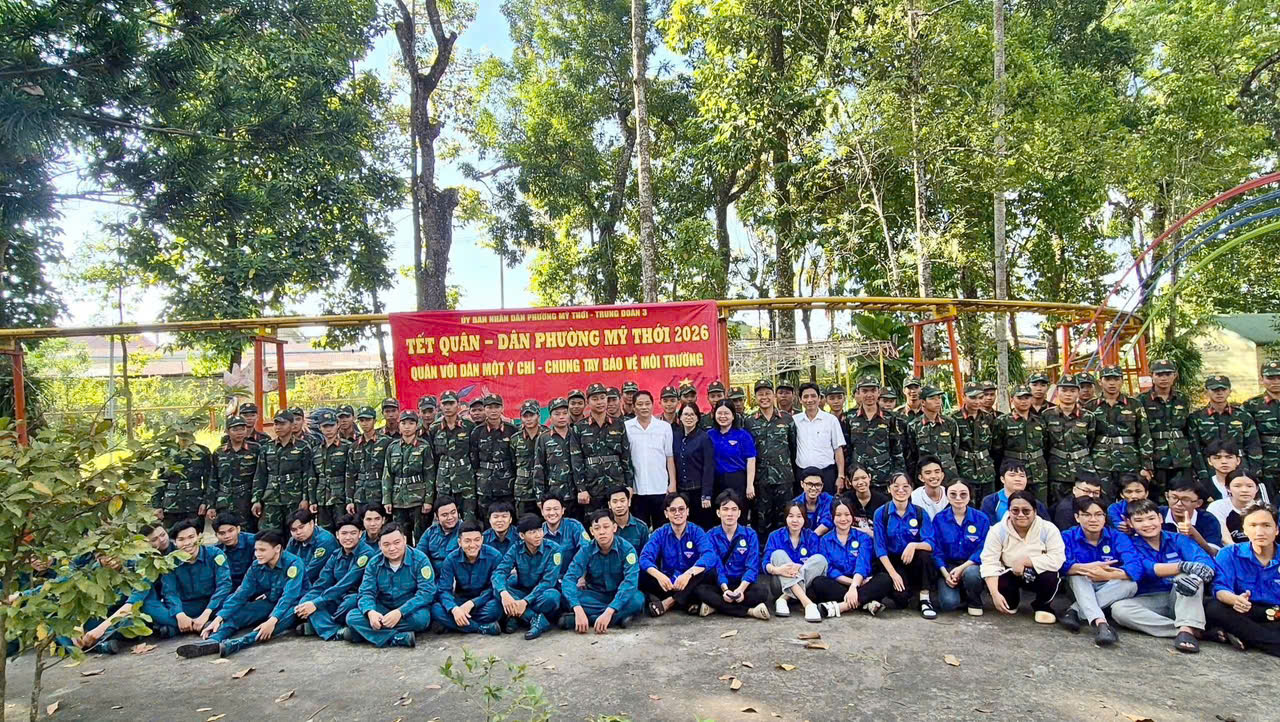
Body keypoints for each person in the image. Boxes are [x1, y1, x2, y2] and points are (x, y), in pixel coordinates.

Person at [176, 530, 305, 658]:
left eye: (262, 550)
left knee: (275, 623)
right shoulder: (256, 566)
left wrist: (272, 621)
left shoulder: (293, 564)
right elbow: (241, 594)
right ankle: (214, 640)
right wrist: (218, 618)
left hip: (296, 604)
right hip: (271, 601)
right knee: (238, 614)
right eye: (256, 550)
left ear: (277, 548)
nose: (257, 554)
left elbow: (289, 597)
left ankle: (239, 643)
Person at [1111, 499, 1215, 653]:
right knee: (1119, 609)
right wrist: (1181, 566)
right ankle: (1189, 631)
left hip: (1182, 595)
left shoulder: (1178, 539)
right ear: (1129, 523)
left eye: (1151, 518)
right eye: (1139, 520)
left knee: (1185, 577)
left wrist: (1195, 574)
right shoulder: (1129, 544)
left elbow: (1204, 561)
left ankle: (1187, 628)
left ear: (1160, 518)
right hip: (1152, 598)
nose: (1147, 524)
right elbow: (1145, 568)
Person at [1059, 496, 1140, 646]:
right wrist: (1086, 568)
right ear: (1077, 517)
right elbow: (1060, 566)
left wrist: (1107, 574)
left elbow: (1135, 567)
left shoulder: (1118, 537)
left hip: (1110, 585)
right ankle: (1101, 623)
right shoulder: (1067, 536)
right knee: (1078, 576)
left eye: (1098, 514)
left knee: (1131, 584)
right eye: (1086, 515)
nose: (1093, 519)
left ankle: (1074, 610)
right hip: (1080, 585)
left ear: (1104, 517)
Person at [979, 490, 1065, 624]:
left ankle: (1042, 605)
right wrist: (994, 594)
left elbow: (1058, 558)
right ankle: (1012, 600)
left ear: (1035, 511)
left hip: (1038, 573)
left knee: (1051, 576)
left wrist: (1026, 561)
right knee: (1008, 607)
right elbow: (989, 561)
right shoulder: (998, 530)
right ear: (1008, 511)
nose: (1020, 515)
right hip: (1009, 572)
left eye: (1026, 511)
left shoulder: (1048, 529)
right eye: (1015, 511)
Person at [344, 523, 436, 648]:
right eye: (386, 545)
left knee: (421, 619)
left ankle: (363, 633)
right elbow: (366, 592)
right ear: (380, 545)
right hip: (383, 608)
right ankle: (397, 638)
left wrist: (400, 612)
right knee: (352, 617)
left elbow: (426, 593)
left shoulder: (420, 559)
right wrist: (371, 612)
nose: (392, 548)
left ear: (405, 540)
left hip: (408, 610)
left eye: (396, 543)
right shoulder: (374, 563)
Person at [1206, 502, 1280, 656]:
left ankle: (1243, 635)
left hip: (1276, 613)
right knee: (1213, 607)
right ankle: (1271, 643)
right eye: (1253, 525)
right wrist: (1235, 599)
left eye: (1266, 525)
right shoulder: (1229, 553)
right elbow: (1219, 588)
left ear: (1276, 529)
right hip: (1243, 610)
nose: (1259, 532)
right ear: (1245, 530)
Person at [561, 510, 645, 634]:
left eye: (606, 527)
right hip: (595, 595)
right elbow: (569, 578)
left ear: (614, 528)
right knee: (565, 596)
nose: (602, 532)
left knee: (638, 600)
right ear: (591, 531)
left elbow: (630, 582)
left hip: (619, 594)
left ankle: (591, 620)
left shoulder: (627, 549)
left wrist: (610, 610)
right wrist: (577, 608)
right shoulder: (586, 550)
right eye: (597, 528)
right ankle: (618, 619)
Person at [295, 514, 376, 640]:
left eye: (353, 533)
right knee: (305, 601)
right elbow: (323, 581)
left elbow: (346, 583)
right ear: (337, 535)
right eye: (344, 533)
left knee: (349, 604)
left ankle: (322, 627)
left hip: (356, 596)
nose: (348, 537)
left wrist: (317, 603)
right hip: (335, 596)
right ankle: (336, 630)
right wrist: (310, 600)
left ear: (360, 534)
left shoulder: (366, 554)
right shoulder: (335, 555)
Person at [151, 520, 233, 641]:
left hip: (213, 605)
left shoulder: (215, 554)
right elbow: (170, 592)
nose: (187, 543)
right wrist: (180, 614)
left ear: (199, 536)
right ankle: (199, 625)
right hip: (187, 607)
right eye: (181, 539)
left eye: (191, 537)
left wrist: (206, 613)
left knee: (235, 603)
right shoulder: (169, 562)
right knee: (150, 606)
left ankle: (177, 628)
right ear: (175, 542)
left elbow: (224, 585)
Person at [870, 474, 938, 619]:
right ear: (889, 489)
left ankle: (925, 599)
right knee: (901, 600)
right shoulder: (881, 513)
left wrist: (913, 545)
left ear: (911, 489)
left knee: (925, 555)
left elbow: (930, 543)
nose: (901, 490)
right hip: (892, 561)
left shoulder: (920, 513)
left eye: (905, 486)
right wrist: (893, 574)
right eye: (896, 486)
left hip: (913, 558)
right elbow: (880, 548)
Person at [639, 492, 717, 617]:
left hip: (691, 580)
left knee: (708, 573)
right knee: (642, 576)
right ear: (666, 513)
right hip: (669, 582)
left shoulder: (696, 531)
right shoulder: (660, 533)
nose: (677, 513)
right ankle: (687, 602)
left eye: (681, 509)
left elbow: (710, 555)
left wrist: (688, 574)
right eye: (673, 510)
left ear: (687, 511)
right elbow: (644, 558)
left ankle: (669, 602)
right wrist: (659, 576)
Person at [695, 491, 770, 619]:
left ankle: (716, 606)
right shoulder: (711, 535)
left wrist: (740, 590)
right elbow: (717, 566)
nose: (730, 514)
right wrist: (725, 590)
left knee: (762, 592)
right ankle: (750, 611)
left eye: (734, 509)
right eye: (725, 509)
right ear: (718, 513)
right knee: (700, 590)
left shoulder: (750, 534)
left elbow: (752, 566)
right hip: (720, 584)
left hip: (742, 583)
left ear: (739, 513)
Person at [492, 514, 563, 639]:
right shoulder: (516, 548)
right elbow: (499, 572)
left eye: (540, 530)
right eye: (532, 532)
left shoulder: (554, 549)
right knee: (497, 590)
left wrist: (525, 601)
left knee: (552, 597)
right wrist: (504, 593)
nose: (538, 535)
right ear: (522, 535)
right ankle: (535, 619)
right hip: (521, 592)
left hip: (541, 594)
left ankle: (517, 616)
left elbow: (548, 582)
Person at [1189, 375, 1263, 489]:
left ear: (1229, 391)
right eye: (1214, 390)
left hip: (1240, 466)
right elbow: (1195, 448)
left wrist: (1254, 471)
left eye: (1223, 389)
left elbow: (1253, 445)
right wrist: (1202, 473)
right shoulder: (1197, 417)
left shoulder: (1243, 416)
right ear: (1207, 392)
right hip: (1210, 467)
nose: (1219, 393)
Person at [431, 521, 503, 635]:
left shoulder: (495, 556)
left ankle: (454, 624)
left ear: (482, 539)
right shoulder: (451, 559)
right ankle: (481, 627)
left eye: (477, 540)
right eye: (467, 541)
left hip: (483, 601)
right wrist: (454, 609)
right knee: (436, 609)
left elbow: (494, 588)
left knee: (496, 608)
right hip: (460, 601)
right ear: (459, 542)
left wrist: (473, 603)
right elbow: (444, 590)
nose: (472, 545)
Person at [1090, 366, 1154, 494]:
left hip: (1130, 462)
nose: (1112, 383)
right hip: (1101, 463)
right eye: (1108, 379)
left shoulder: (1134, 404)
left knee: (1131, 498)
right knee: (1104, 499)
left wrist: (1147, 465)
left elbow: (1144, 435)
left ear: (1122, 381)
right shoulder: (1091, 406)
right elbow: (1086, 438)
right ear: (1100, 382)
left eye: (1116, 379)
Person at [809, 498, 877, 618]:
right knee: (819, 582)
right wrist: (852, 585)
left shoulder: (863, 537)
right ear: (832, 517)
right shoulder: (825, 540)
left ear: (852, 516)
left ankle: (841, 606)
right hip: (841, 583)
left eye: (847, 514)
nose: (843, 519)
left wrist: (855, 585)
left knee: (884, 579)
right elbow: (830, 569)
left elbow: (862, 564)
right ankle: (864, 601)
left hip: (860, 580)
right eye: (838, 515)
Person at [931, 480, 990, 615]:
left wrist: (963, 568)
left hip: (971, 564)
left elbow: (983, 548)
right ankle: (961, 593)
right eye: (953, 494)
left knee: (971, 574)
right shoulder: (939, 519)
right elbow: (936, 550)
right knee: (948, 603)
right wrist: (945, 574)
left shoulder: (981, 519)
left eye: (963, 494)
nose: (958, 498)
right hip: (948, 567)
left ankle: (974, 601)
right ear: (947, 496)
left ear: (970, 496)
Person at [746, 379, 797, 533]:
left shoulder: (786, 418)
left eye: (767, 393)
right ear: (755, 397)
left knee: (785, 518)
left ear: (774, 395)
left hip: (784, 478)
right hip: (760, 480)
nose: (764, 397)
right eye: (760, 394)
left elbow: (793, 447)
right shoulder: (749, 421)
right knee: (761, 520)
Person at [574, 382, 635, 512]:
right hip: (592, 485)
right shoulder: (579, 427)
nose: (600, 402)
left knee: (617, 519)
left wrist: (629, 484)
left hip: (616, 483)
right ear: (588, 402)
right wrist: (581, 488)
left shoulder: (619, 424)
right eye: (595, 399)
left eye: (602, 398)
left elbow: (626, 456)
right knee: (594, 520)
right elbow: (576, 460)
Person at [763, 502, 828, 622]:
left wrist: (799, 567)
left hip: (806, 584)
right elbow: (765, 562)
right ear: (786, 518)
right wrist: (777, 570)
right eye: (791, 516)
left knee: (821, 559)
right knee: (777, 554)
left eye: (799, 516)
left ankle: (784, 599)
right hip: (779, 585)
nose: (795, 520)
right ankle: (807, 603)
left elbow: (816, 564)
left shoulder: (811, 536)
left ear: (804, 519)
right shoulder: (775, 536)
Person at [253, 410, 315, 533]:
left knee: (295, 533)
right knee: (270, 534)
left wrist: (305, 498)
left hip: (294, 498)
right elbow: (260, 475)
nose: (278, 427)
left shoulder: (303, 447)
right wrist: (256, 499)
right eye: (276, 424)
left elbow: (307, 474)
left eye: (282, 424)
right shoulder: (267, 447)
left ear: (292, 425)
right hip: (271, 499)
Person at [1139, 359, 1194, 497]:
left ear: (1174, 375)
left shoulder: (1183, 398)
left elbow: (1188, 428)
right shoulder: (1142, 400)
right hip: (1156, 458)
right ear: (1152, 376)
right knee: (1157, 498)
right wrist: (1145, 462)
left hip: (1181, 457)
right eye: (1159, 374)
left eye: (1168, 374)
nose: (1164, 378)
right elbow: (1140, 432)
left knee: (1182, 494)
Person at [1042, 374, 1098, 506]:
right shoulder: (1047, 415)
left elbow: (1091, 441)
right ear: (1057, 392)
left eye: (1072, 391)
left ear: (1078, 392)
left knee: (1085, 504)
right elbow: (1044, 442)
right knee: (1058, 506)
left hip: (1082, 467)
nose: (1068, 394)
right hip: (1057, 468)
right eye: (1064, 390)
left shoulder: (1088, 416)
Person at [381, 409, 436, 544]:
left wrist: (428, 500)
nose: (407, 427)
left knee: (420, 536)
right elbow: (387, 475)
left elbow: (429, 475)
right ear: (399, 425)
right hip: (398, 499)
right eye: (404, 423)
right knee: (401, 536)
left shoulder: (423, 446)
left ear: (417, 426)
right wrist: (387, 499)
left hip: (418, 498)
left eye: (411, 423)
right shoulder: (392, 447)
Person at [624, 390, 676, 528]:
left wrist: (672, 483)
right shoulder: (627, 427)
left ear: (653, 405)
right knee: (640, 528)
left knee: (662, 528)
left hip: (660, 487)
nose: (644, 407)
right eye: (640, 404)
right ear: (634, 407)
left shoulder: (664, 427)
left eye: (647, 404)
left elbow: (669, 457)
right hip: (637, 489)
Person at [845, 375, 905, 490]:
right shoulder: (850, 417)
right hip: (858, 475)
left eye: (873, 390)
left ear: (878, 392)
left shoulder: (889, 417)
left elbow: (896, 449)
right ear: (858, 393)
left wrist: (899, 474)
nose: (869, 395)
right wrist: (847, 473)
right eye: (865, 391)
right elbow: (847, 448)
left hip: (883, 474)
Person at [991, 385, 1048, 503]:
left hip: (1038, 472)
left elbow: (1046, 445)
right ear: (1012, 399)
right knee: (1013, 503)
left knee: (1040, 505)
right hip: (1014, 471)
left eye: (1027, 398)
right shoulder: (1002, 422)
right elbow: (996, 450)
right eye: (1020, 398)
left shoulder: (1040, 421)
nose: (1024, 401)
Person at [430, 390, 479, 522]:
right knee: (445, 519)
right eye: (444, 404)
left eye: (451, 403)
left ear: (458, 404)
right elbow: (434, 457)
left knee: (469, 518)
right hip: (443, 480)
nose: (447, 407)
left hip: (465, 478)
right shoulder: (434, 428)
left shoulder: (468, 426)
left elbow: (474, 453)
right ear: (440, 406)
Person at [706, 401, 757, 522]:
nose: (723, 416)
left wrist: (750, 485)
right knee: (718, 515)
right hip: (716, 481)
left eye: (726, 413)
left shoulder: (743, 435)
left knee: (737, 514)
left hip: (737, 480)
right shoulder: (709, 435)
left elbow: (751, 460)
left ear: (733, 415)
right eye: (719, 413)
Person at [534, 397, 583, 519]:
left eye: (564, 413)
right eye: (557, 414)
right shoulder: (543, 438)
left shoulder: (577, 433)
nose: (561, 417)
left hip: (578, 494)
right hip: (555, 495)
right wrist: (540, 497)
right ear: (550, 417)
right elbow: (539, 468)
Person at [794, 382, 846, 494]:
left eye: (813, 396)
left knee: (827, 503)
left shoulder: (831, 420)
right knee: (803, 504)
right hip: (802, 473)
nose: (809, 400)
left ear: (819, 398)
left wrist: (841, 476)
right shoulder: (795, 421)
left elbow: (838, 449)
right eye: (805, 397)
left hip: (826, 473)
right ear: (800, 400)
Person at [471, 394, 517, 521]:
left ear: (502, 408)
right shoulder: (477, 432)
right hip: (485, 485)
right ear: (485, 409)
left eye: (496, 407)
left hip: (507, 483)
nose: (493, 411)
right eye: (489, 407)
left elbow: (515, 458)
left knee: (508, 517)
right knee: (486, 519)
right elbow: (474, 459)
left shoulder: (512, 430)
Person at [154, 429, 212, 529]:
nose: (184, 431)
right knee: (171, 536)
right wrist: (157, 505)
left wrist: (205, 502)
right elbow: (160, 480)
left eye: (187, 426)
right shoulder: (167, 452)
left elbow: (209, 480)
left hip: (194, 504)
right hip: (171, 505)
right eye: (180, 427)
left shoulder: (202, 452)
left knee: (193, 535)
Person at [212, 416, 262, 532]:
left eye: (242, 429)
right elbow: (213, 479)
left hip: (246, 499)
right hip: (224, 499)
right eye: (235, 429)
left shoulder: (255, 449)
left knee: (248, 533)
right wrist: (210, 504)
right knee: (226, 530)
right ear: (227, 431)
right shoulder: (219, 452)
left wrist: (257, 499)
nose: (239, 432)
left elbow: (260, 475)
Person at [673, 401, 716, 528]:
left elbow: (708, 467)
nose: (689, 417)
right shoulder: (675, 436)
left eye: (692, 414)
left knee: (701, 526)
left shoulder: (704, 438)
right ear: (680, 417)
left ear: (697, 418)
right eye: (686, 414)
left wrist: (706, 495)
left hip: (698, 491)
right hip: (681, 490)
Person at [905, 386, 960, 483]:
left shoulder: (950, 423)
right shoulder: (914, 426)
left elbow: (955, 450)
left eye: (939, 398)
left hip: (948, 475)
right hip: (926, 476)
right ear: (923, 402)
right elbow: (912, 455)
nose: (938, 401)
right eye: (932, 398)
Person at [950, 382, 995, 499]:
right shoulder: (953, 419)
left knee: (987, 503)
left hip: (986, 470)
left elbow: (994, 445)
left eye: (980, 397)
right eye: (972, 398)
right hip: (964, 470)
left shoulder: (988, 418)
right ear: (964, 396)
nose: (977, 401)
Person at [310, 409, 353, 530]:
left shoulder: (347, 447)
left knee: (343, 530)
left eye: (331, 425)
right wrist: (312, 500)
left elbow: (350, 475)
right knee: (324, 532)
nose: (329, 429)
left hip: (341, 498)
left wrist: (350, 499)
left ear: (337, 425)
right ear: (320, 428)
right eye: (325, 426)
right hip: (322, 498)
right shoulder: (316, 450)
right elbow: (312, 477)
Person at [1243, 361, 1280, 502]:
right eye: (1270, 377)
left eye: (1279, 377)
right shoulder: (1252, 405)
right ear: (1261, 379)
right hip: (1266, 463)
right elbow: (1247, 437)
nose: (1275, 381)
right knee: (1268, 503)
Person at [1162, 476, 1224, 555]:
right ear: (1167, 496)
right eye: (1174, 498)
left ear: (1199, 503)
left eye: (1185, 500)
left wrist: (1194, 534)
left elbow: (1214, 552)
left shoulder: (1208, 519)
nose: (1178, 504)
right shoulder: (1156, 515)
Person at [350, 406, 393, 513]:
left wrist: (388, 497)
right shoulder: (354, 446)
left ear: (374, 420)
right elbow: (350, 474)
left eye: (368, 420)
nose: (364, 423)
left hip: (379, 493)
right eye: (361, 420)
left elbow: (391, 471)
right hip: (360, 494)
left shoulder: (386, 442)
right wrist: (349, 500)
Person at [980, 460, 1049, 523]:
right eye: (1012, 475)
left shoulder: (1036, 504)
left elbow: (1046, 527)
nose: (1017, 479)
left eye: (1022, 476)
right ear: (1002, 479)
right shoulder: (991, 501)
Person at [285, 508, 339, 586]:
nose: (298, 532)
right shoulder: (293, 541)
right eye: (294, 530)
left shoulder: (325, 541)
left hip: (320, 584)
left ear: (311, 523)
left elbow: (311, 572)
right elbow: (285, 564)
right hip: (298, 582)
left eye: (301, 527)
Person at [1207, 470, 1262, 545]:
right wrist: (1240, 551)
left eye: (1249, 486)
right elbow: (1225, 539)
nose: (1244, 490)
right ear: (1228, 488)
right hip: (1229, 550)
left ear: (1257, 489)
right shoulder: (1217, 507)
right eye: (1237, 486)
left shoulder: (1263, 508)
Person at [509, 400, 544, 517]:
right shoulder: (515, 439)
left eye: (532, 415)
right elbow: (512, 463)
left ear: (538, 416)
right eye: (525, 416)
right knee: (523, 522)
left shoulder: (547, 435)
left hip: (543, 489)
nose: (528, 419)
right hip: (522, 490)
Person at [540, 496, 588, 581]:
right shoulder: (538, 532)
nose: (552, 513)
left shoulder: (574, 526)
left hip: (574, 578)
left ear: (562, 510)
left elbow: (587, 550)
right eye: (548, 509)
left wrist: (582, 577)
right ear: (542, 512)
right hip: (548, 580)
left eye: (556, 509)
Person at [417, 496, 463, 570]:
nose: (450, 517)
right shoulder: (430, 532)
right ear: (437, 517)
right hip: (433, 573)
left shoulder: (465, 531)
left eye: (453, 512)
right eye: (445, 515)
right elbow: (419, 555)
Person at [213, 513, 256, 588]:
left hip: (254, 584)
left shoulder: (254, 542)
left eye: (230, 531)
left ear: (238, 529)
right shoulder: (215, 551)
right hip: (230, 586)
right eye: (222, 533)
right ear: (216, 535)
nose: (227, 536)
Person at [846, 464, 889, 533]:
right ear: (849, 482)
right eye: (856, 479)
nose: (861, 482)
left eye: (864, 478)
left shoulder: (883, 501)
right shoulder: (845, 500)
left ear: (869, 477)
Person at [607, 486, 651, 553]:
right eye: (615, 502)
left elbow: (646, 554)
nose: (619, 505)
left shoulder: (641, 527)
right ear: (609, 505)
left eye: (622, 501)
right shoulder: (605, 527)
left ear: (629, 502)